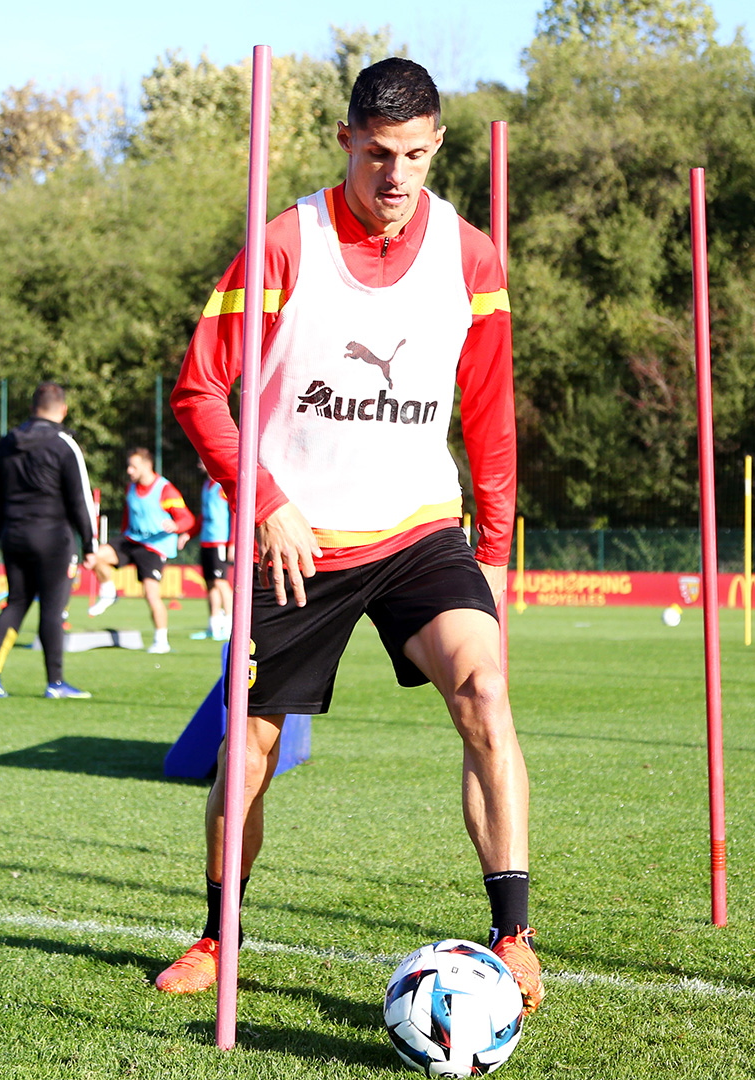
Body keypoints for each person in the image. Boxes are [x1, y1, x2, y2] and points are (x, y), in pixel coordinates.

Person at [157, 58, 538, 1014]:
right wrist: (266, 496)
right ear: (346, 143)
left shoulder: (473, 256)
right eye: (378, 155)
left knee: (485, 692)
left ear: (437, 145)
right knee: (246, 745)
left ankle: (514, 933)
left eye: (414, 155)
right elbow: (200, 391)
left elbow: (490, 412)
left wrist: (492, 548)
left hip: (419, 529)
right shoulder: (285, 242)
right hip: (299, 540)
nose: (397, 177)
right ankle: (217, 932)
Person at [0, 382, 98, 699]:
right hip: (52, 537)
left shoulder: (6, 443)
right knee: (53, 608)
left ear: (32, 408)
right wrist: (90, 544)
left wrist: (4, 531)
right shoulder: (63, 444)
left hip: (13, 534)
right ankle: (55, 683)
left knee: (17, 601)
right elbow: (80, 500)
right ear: (63, 410)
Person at [87, 447, 194, 654]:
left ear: (147, 465)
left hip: (154, 547)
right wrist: (125, 533)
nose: (129, 470)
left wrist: (177, 527)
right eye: (128, 466)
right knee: (95, 555)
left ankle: (161, 640)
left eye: (133, 466)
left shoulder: (166, 490)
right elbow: (129, 513)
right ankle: (109, 591)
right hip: (132, 540)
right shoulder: (131, 488)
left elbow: (187, 519)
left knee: (151, 594)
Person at [190, 458, 233, 642]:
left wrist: (232, 543)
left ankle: (231, 625)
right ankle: (214, 626)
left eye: (202, 461)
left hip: (220, 542)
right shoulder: (206, 485)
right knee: (210, 583)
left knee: (221, 582)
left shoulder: (222, 486)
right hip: (206, 541)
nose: (199, 464)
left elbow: (235, 513)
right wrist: (189, 534)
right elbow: (203, 516)